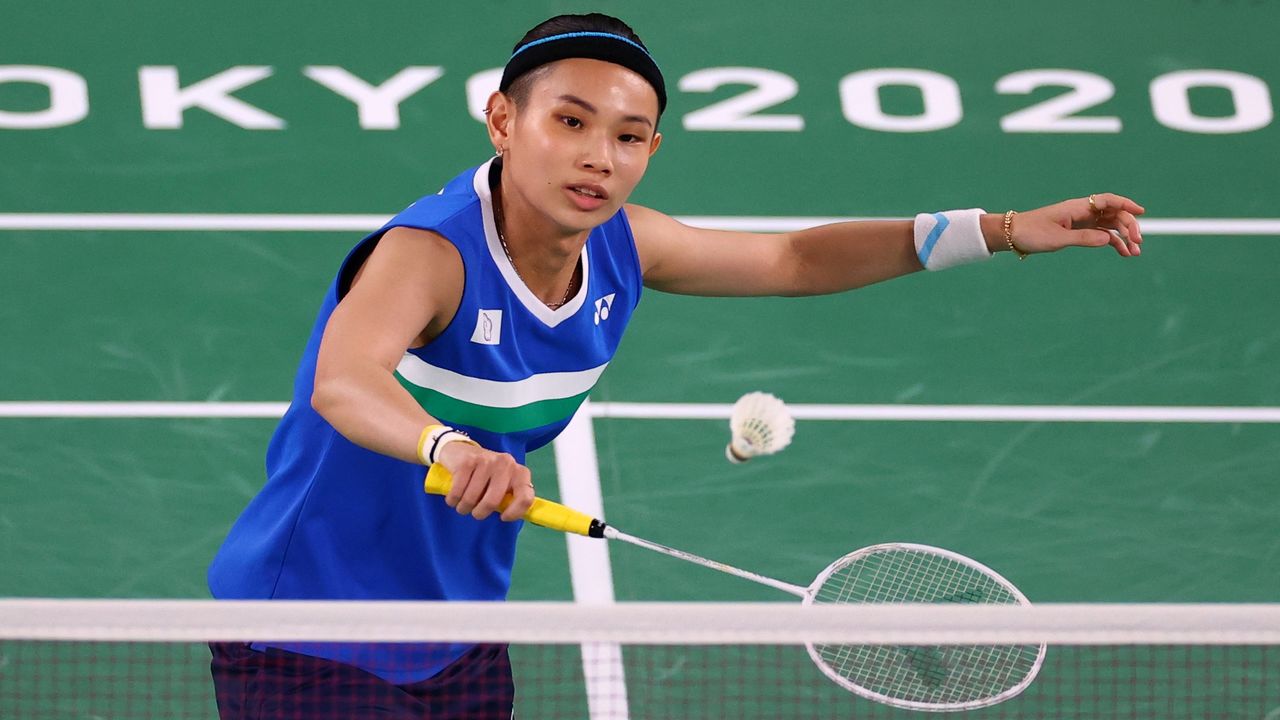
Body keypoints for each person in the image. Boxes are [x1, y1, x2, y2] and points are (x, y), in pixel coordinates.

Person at [205, 11, 1145, 719]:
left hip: (457, 626)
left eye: (625, 135)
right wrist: (449, 447)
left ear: (652, 149)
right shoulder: (432, 253)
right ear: (502, 119)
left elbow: (792, 260)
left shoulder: (624, 247)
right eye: (568, 122)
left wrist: (1004, 231)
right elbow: (343, 378)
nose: (596, 157)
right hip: (312, 632)